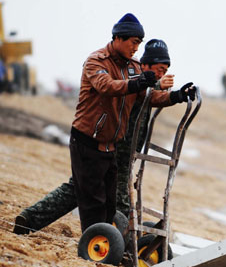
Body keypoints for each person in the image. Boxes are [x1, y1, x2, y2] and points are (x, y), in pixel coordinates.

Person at [13, 38, 178, 235]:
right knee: (113, 196)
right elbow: (129, 93)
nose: (162, 73)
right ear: (145, 65)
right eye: (159, 68)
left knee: (79, 188)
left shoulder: (142, 82)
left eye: (165, 70)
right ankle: (118, 239)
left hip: (121, 149)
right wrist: (156, 84)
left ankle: (31, 218)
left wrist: (175, 95)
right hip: (113, 147)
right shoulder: (134, 80)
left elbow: (152, 98)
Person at [69, 14, 195, 233]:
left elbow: (149, 97)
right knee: (93, 205)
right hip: (87, 142)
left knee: (109, 207)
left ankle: (106, 245)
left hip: (110, 146)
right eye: (134, 42)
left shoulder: (134, 66)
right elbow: (106, 86)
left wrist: (176, 96)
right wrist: (138, 82)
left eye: (139, 43)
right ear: (119, 38)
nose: (137, 48)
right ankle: (94, 248)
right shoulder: (96, 61)